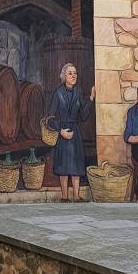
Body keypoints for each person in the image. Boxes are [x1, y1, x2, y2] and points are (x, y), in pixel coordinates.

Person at [47, 63, 95, 202]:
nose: (73, 76)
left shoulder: (78, 92)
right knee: (63, 165)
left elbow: (84, 116)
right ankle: (64, 197)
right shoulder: (57, 93)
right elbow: (49, 118)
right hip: (62, 132)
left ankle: (76, 196)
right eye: (70, 73)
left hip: (75, 133)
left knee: (76, 164)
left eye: (75, 73)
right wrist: (60, 131)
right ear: (63, 76)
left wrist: (91, 98)